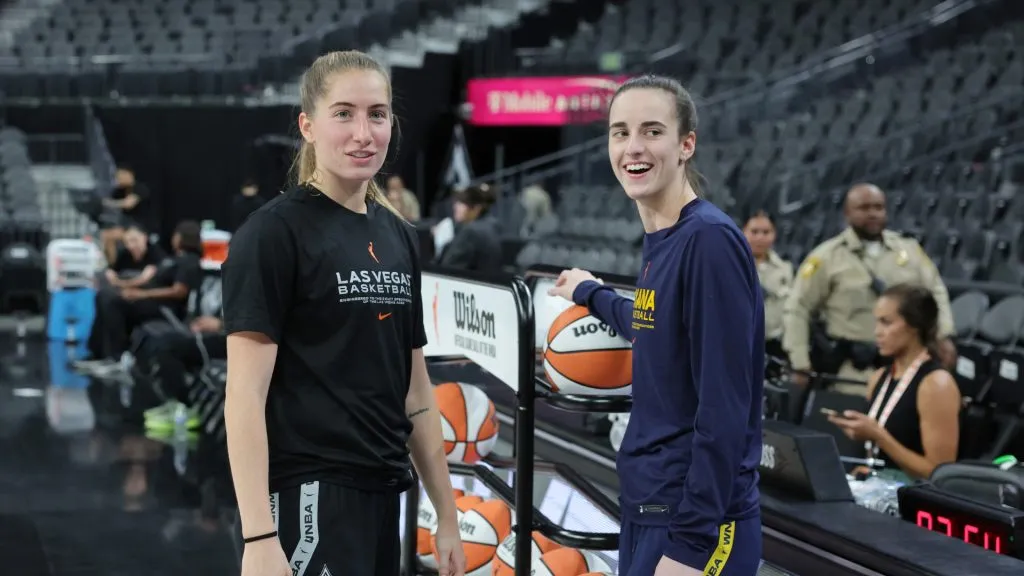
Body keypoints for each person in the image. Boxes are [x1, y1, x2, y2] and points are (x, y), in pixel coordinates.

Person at [220, 50, 465, 576]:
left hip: (383, 492)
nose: (363, 133)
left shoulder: (399, 234)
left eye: (377, 114)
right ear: (308, 125)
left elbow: (416, 390)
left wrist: (446, 514)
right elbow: (243, 396)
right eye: (344, 113)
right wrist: (258, 535)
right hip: (309, 494)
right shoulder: (272, 234)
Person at [548, 75, 763, 576]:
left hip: (695, 524)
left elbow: (725, 406)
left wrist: (691, 543)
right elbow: (653, 324)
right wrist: (591, 293)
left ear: (686, 144)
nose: (633, 147)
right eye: (619, 132)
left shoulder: (709, 241)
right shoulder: (664, 237)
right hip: (651, 505)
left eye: (651, 131)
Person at [782, 184, 957, 394]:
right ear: (847, 214)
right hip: (855, 372)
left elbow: (935, 291)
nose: (873, 214)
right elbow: (798, 307)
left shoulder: (909, 251)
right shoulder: (826, 258)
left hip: (907, 365)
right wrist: (800, 362)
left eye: (878, 207)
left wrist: (943, 334)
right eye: (864, 208)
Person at [828, 284, 960, 482]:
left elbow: (939, 474)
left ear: (914, 326)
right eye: (877, 322)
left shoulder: (936, 384)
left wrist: (879, 436)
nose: (877, 332)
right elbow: (879, 457)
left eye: (886, 323)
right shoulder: (879, 377)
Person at [743, 211, 792, 358]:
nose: (760, 237)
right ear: (742, 231)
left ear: (774, 234)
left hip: (774, 347)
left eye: (766, 232)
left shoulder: (785, 270)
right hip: (740, 344)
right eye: (754, 231)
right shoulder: (730, 266)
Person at [433, 184, 502, 273]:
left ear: (476, 208)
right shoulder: (492, 226)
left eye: (462, 203)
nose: (455, 207)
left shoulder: (471, 231)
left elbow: (448, 267)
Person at [104, 223, 166, 289]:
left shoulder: (156, 254)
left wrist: (120, 283)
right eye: (126, 242)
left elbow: (145, 279)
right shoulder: (124, 253)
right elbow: (111, 272)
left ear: (144, 237)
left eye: (134, 240)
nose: (130, 246)